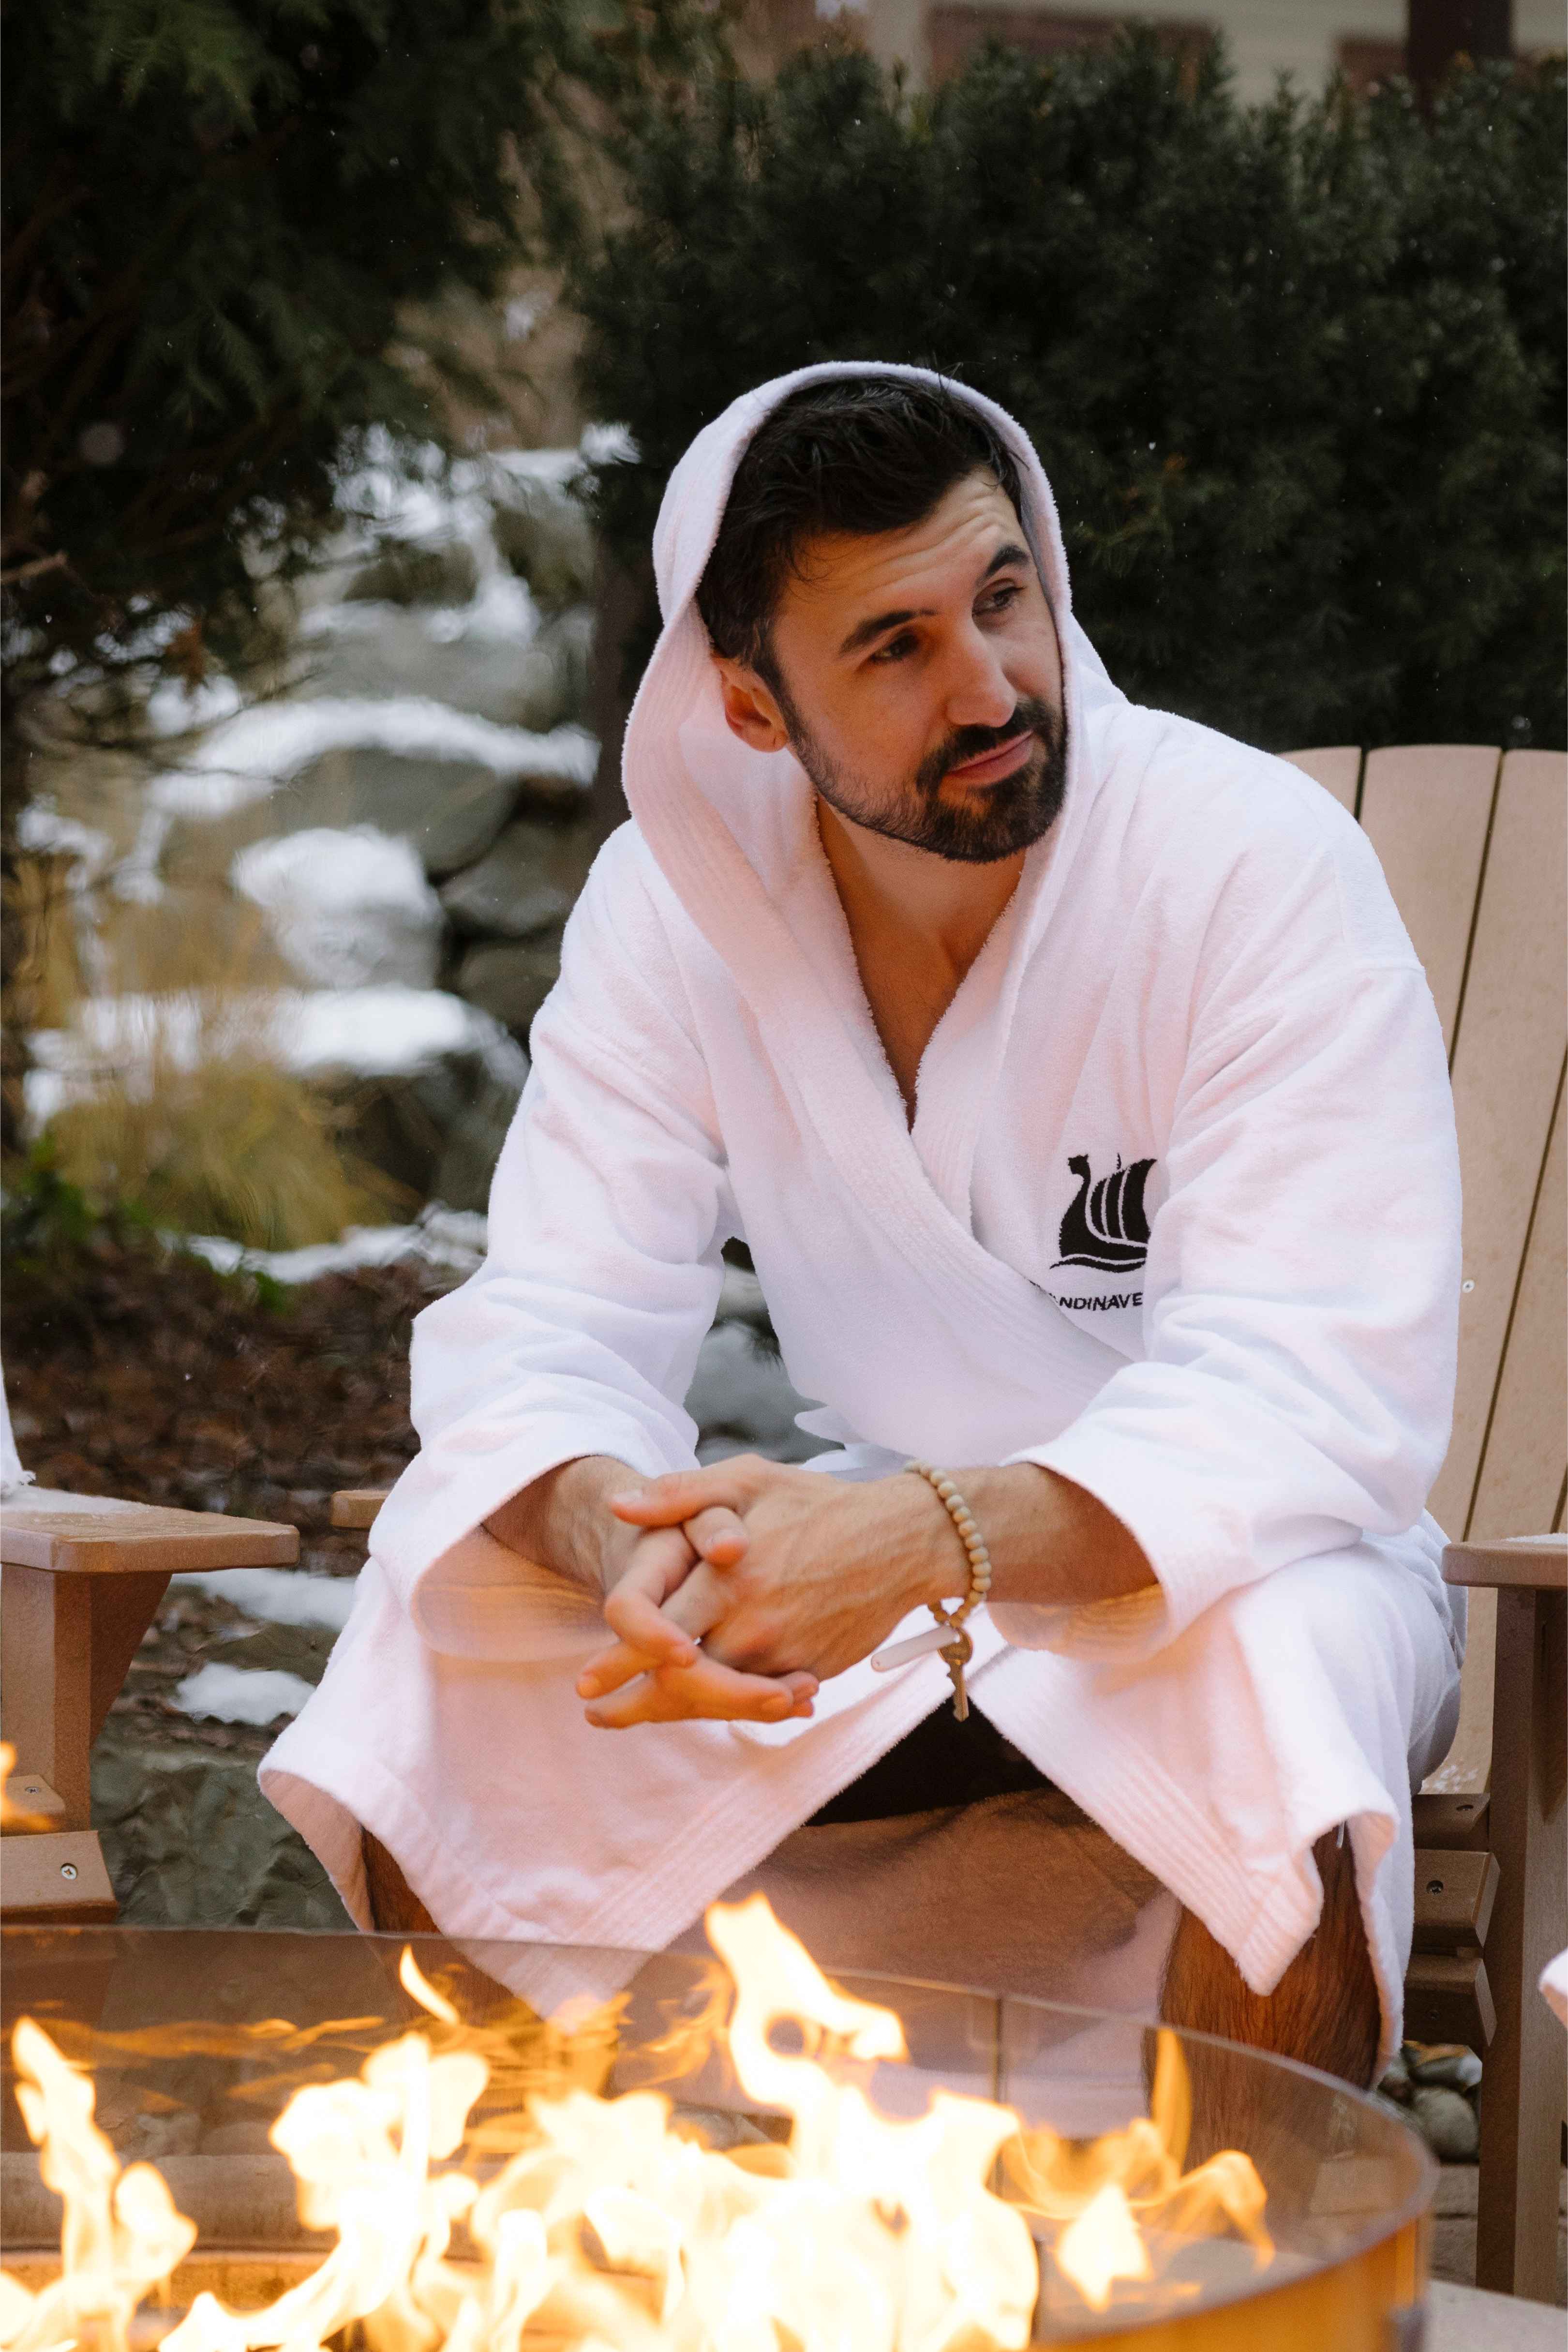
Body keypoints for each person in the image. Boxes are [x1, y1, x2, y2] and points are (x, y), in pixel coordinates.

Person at [263, 368, 1463, 2096]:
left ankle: (1234, 2255)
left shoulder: (1247, 865)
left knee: (1277, 1662)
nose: (986, 686)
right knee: (439, 1622)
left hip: (1230, 1556)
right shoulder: (675, 910)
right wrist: (627, 1543)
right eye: (892, 648)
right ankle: (557, 2248)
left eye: (1000, 599)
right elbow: (549, 1325)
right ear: (751, 708)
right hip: (866, 1600)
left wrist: (917, 1545)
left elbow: (1308, 1390)